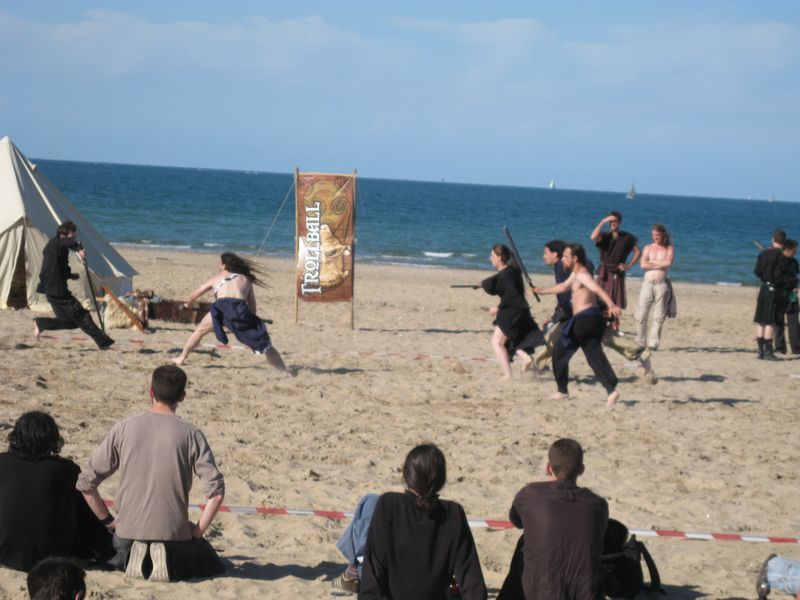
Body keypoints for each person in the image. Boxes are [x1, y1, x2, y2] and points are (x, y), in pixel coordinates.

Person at [76, 365, 226, 582]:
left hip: (128, 533)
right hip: (174, 536)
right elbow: (217, 493)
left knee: (114, 546)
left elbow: (86, 483)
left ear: (150, 392)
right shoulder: (192, 434)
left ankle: (133, 558)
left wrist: (108, 520)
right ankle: (159, 558)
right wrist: (197, 532)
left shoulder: (124, 427)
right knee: (213, 564)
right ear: (182, 397)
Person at [359, 444, 487, 600]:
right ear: (441, 479)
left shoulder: (388, 506)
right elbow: (472, 584)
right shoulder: (453, 514)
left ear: (407, 475)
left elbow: (372, 579)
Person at [0, 412, 112, 572]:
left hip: (3, 553)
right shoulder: (65, 469)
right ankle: (108, 548)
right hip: (49, 555)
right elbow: (84, 517)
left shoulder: (2, 462)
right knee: (78, 505)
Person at [503, 438, 608, 600]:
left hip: (538, 592)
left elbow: (516, 521)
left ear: (548, 468)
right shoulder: (598, 504)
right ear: (581, 469)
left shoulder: (529, 494)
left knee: (525, 541)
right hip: (585, 593)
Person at [171, 252, 291, 375]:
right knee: (264, 343)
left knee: (200, 330)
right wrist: (246, 321)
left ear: (224, 265)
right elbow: (253, 309)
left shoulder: (217, 278)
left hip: (221, 309)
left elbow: (192, 296)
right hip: (240, 310)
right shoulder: (246, 279)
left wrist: (188, 305)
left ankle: (182, 357)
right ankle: (284, 370)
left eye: (220, 263)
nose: (218, 266)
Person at [533, 244, 623, 406]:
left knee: (559, 353)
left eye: (566, 257)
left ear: (575, 259)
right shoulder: (575, 275)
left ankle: (562, 391)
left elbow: (598, 289)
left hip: (585, 319)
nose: (563, 260)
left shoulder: (582, 275)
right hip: (593, 320)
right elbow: (563, 287)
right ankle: (611, 391)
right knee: (594, 356)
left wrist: (611, 305)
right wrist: (542, 291)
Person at [32, 221, 114, 350]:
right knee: (82, 315)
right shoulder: (58, 242)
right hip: (57, 291)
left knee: (70, 322)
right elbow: (68, 243)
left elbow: (59, 267)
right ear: (63, 235)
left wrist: (70, 275)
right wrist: (79, 249)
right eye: (72, 236)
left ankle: (41, 323)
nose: (74, 239)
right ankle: (104, 343)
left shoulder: (55, 247)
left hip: (52, 291)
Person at [479, 244, 542, 378]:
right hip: (522, 311)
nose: (490, 258)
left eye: (492, 255)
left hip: (512, 313)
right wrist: (482, 284)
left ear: (500, 257)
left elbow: (510, 296)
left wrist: (498, 309)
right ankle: (528, 362)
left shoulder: (506, 275)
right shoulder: (513, 270)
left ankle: (509, 374)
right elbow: (495, 280)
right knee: (515, 339)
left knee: (497, 342)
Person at [590, 211, 641, 313]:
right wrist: (602, 221)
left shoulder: (628, 237)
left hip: (617, 272)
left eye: (615, 221)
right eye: (611, 221)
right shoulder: (604, 236)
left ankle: (613, 325)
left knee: (614, 301)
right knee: (598, 300)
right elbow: (593, 237)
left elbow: (638, 252)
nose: (613, 223)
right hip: (602, 272)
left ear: (620, 222)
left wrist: (628, 265)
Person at [635, 224, 676, 351]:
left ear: (663, 234)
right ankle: (641, 342)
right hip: (647, 284)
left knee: (658, 316)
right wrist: (660, 264)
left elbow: (668, 263)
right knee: (641, 314)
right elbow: (642, 265)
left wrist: (651, 263)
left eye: (658, 235)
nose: (655, 237)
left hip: (661, 285)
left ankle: (653, 343)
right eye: (654, 235)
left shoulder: (669, 248)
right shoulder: (648, 247)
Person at [754, 229, 786, 359]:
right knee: (770, 322)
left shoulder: (764, 253)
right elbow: (780, 276)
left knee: (761, 321)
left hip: (764, 287)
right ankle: (768, 351)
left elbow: (757, 271)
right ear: (784, 242)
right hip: (774, 289)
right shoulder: (782, 256)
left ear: (773, 239)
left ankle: (760, 351)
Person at [773, 239, 799, 355]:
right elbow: (777, 278)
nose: (796, 252)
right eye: (794, 250)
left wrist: (796, 286)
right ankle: (780, 347)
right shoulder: (779, 260)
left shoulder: (794, 262)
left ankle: (795, 348)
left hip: (791, 293)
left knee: (793, 321)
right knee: (779, 321)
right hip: (781, 293)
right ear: (787, 249)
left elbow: (797, 276)